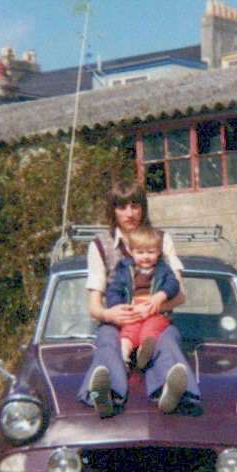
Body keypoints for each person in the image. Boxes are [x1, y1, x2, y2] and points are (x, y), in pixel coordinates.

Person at [76, 179, 201, 417]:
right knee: (107, 342)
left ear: (143, 208)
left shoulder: (161, 239)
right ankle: (102, 396)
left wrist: (155, 306)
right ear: (112, 210)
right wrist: (111, 314)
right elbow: (94, 307)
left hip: (156, 316)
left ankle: (171, 393)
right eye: (122, 207)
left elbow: (180, 295)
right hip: (119, 320)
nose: (129, 213)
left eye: (135, 206)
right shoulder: (99, 246)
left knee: (168, 340)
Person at [105, 224, 181, 372]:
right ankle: (123, 355)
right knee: (128, 331)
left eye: (150, 252)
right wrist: (118, 306)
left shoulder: (163, 269)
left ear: (159, 252)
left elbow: (173, 284)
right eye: (140, 252)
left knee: (152, 329)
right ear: (131, 252)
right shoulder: (124, 270)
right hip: (133, 309)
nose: (145, 256)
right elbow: (114, 290)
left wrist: (161, 295)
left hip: (156, 310)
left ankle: (144, 352)